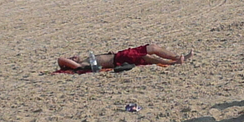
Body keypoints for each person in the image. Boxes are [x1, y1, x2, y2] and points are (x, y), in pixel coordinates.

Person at [57, 44, 190, 73]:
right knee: (146, 56)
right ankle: (174, 61)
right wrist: (71, 63)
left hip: (120, 55)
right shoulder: (82, 64)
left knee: (151, 48)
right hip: (119, 59)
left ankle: (176, 58)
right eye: (72, 58)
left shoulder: (87, 59)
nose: (73, 56)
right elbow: (60, 59)